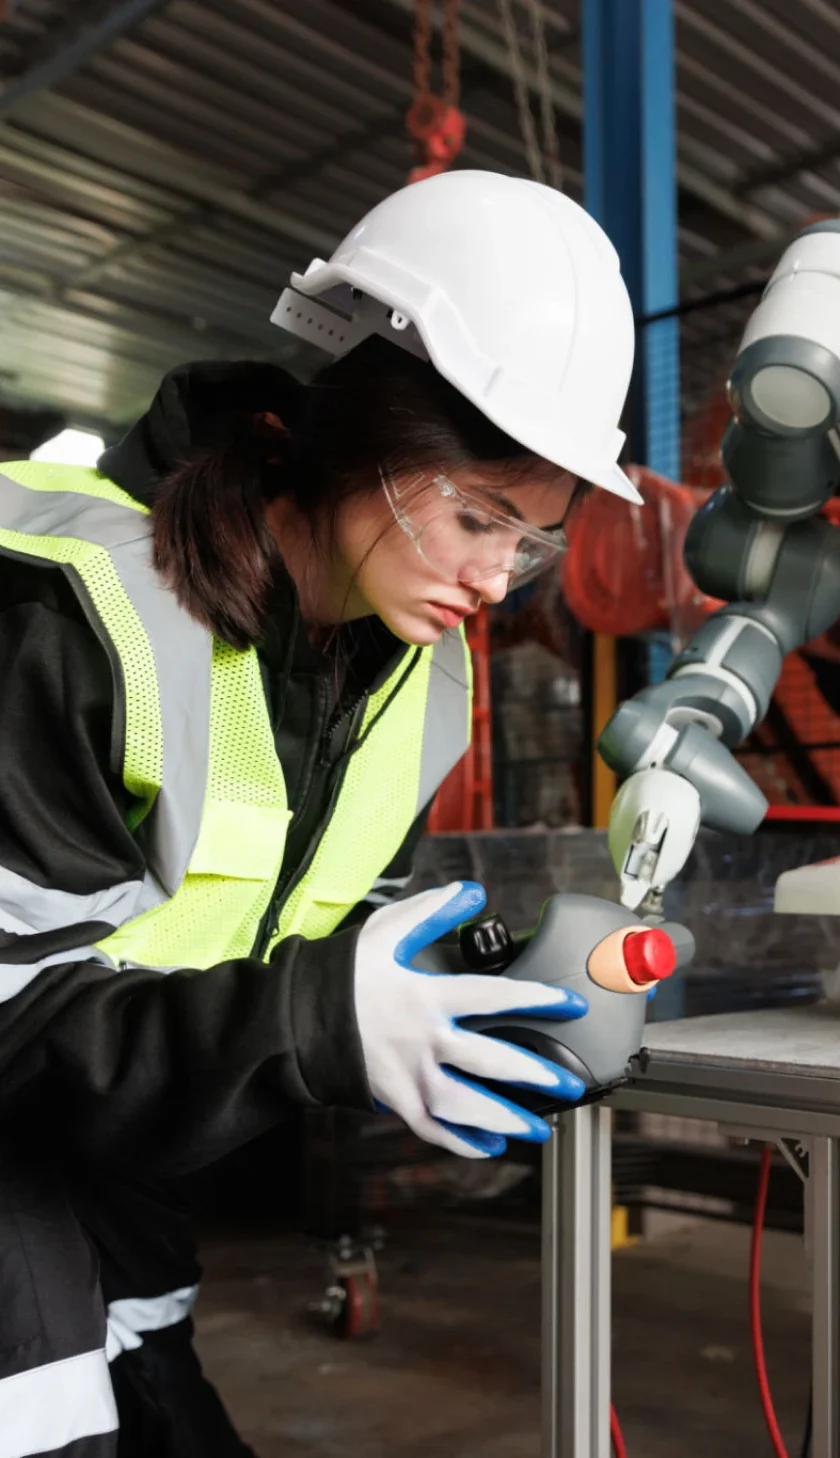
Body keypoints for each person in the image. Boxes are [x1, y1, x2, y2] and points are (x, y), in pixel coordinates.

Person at [0, 171, 641, 1458]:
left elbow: (313, 909)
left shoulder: (416, 672)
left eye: (532, 541)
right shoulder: (69, 610)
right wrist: (319, 1019)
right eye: (474, 515)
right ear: (353, 441)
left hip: (117, 1154)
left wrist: (478, 992)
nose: (494, 578)